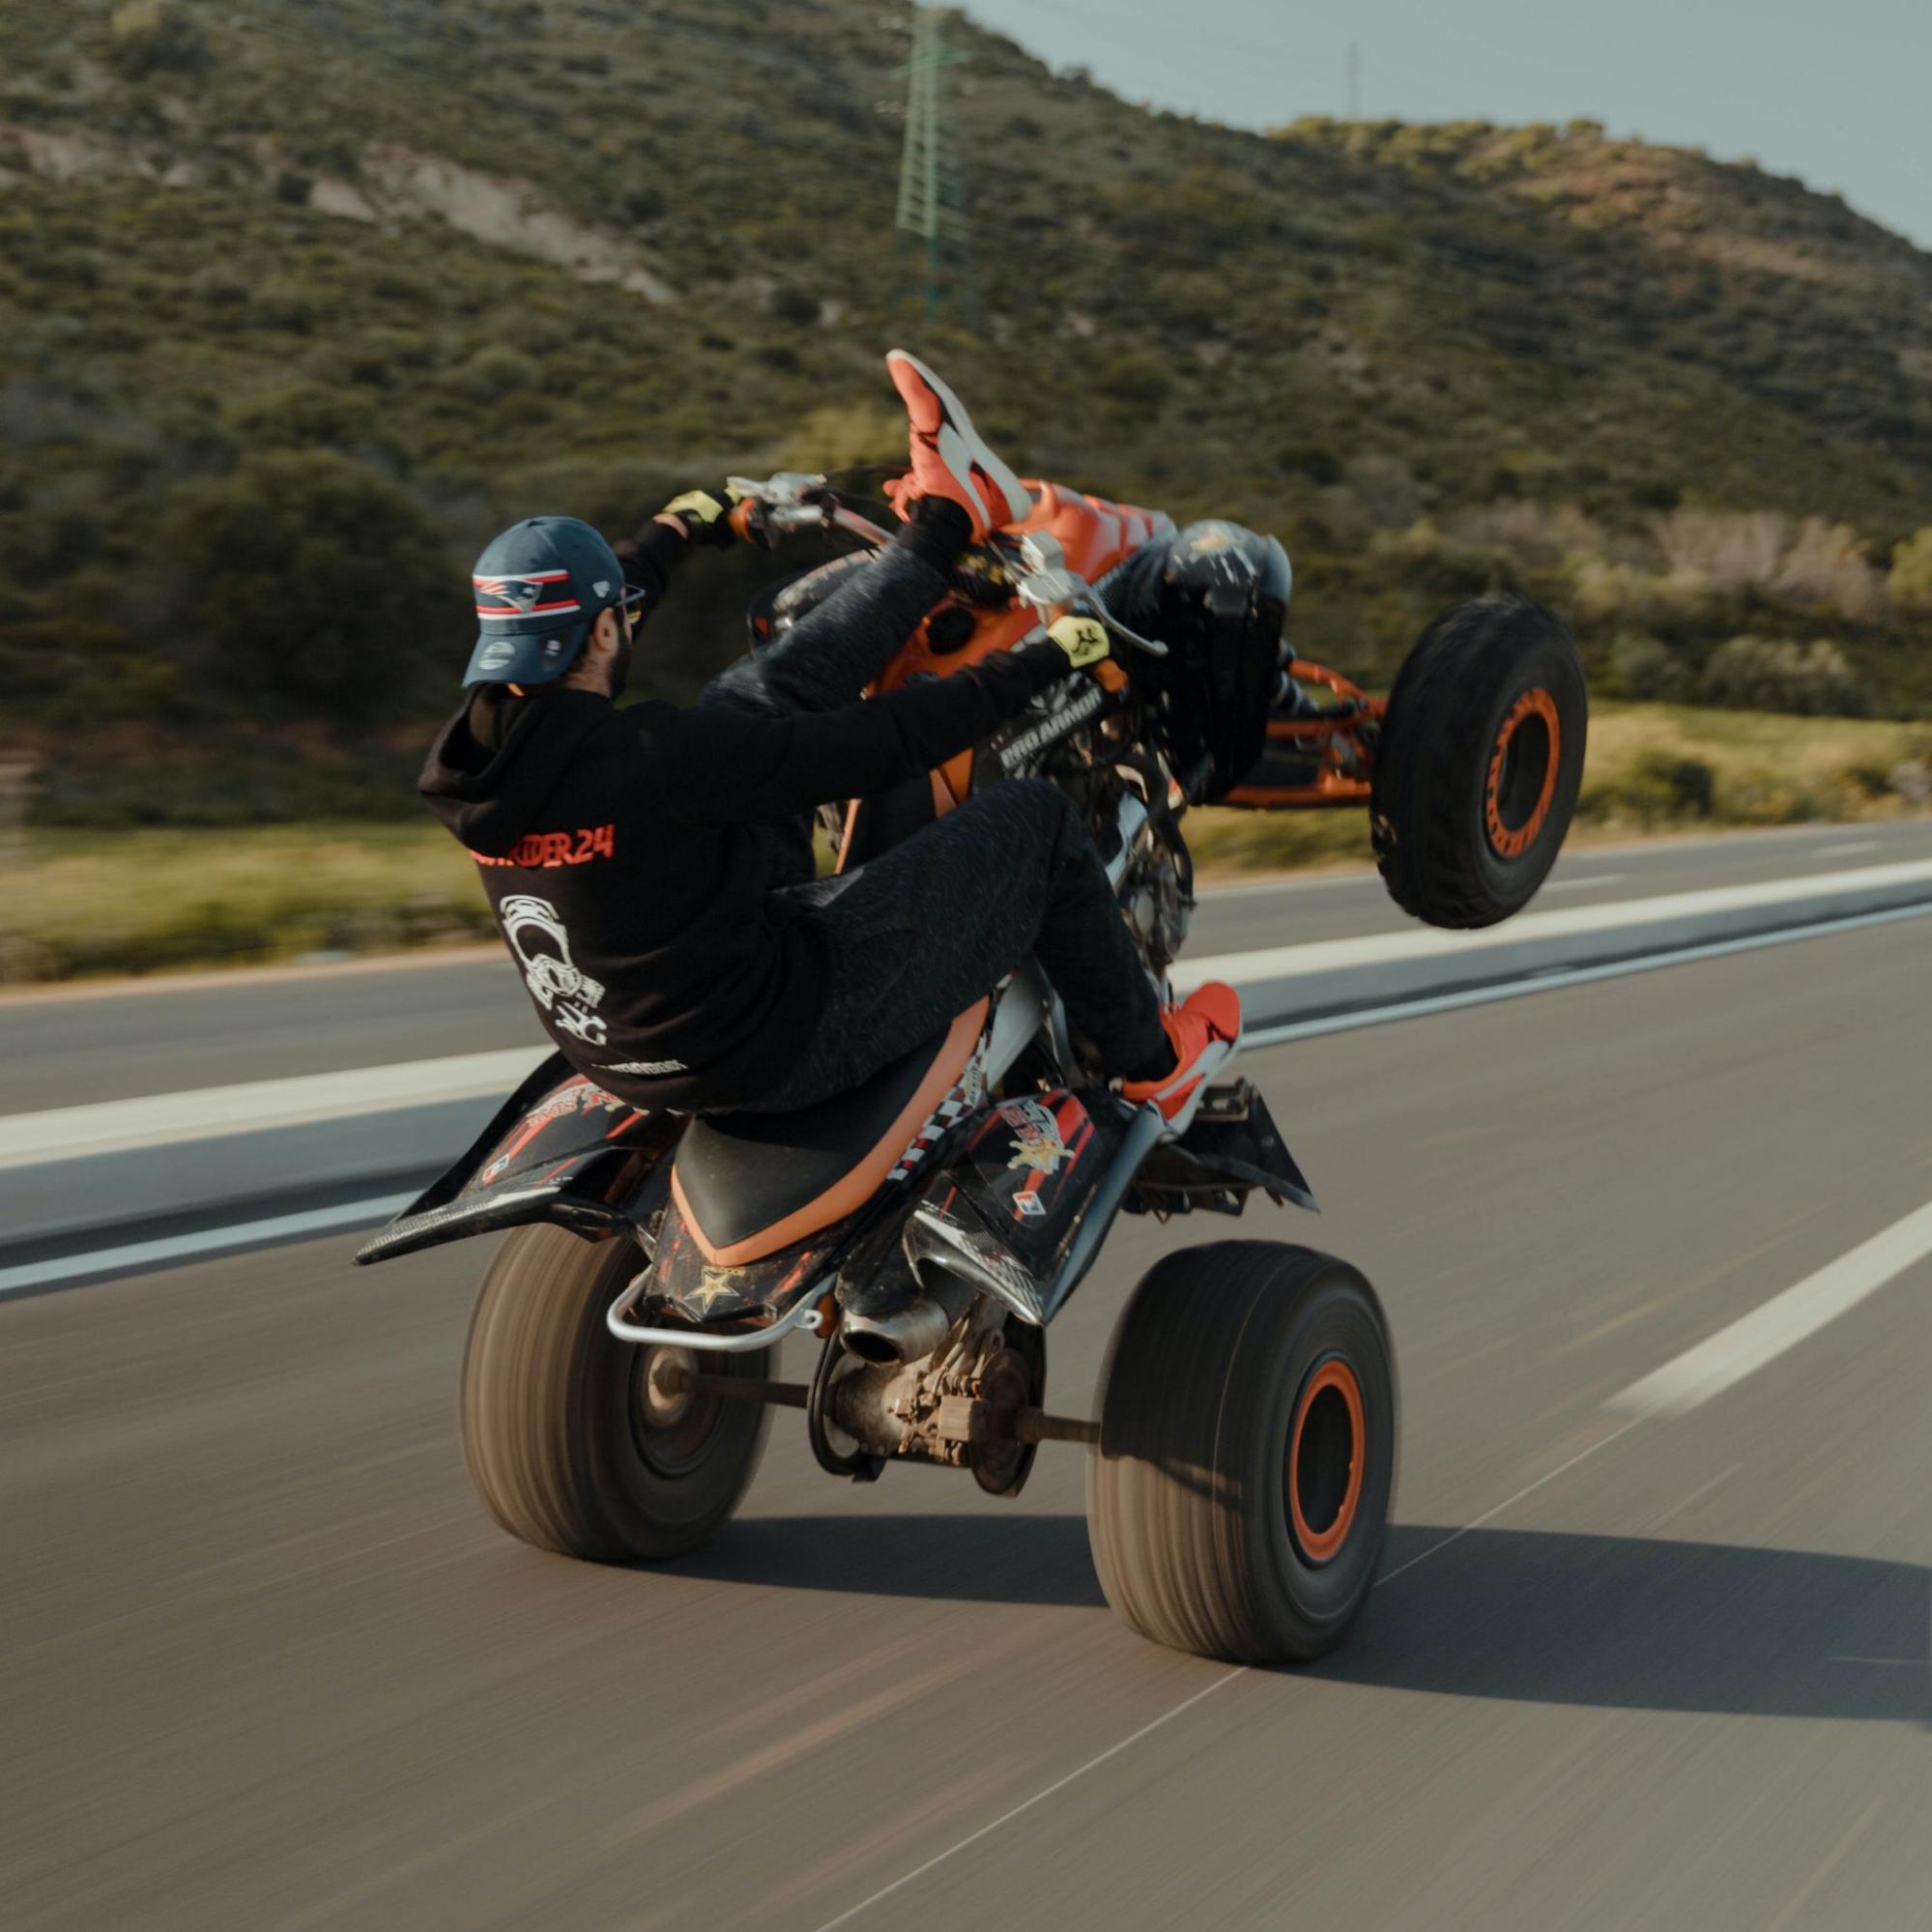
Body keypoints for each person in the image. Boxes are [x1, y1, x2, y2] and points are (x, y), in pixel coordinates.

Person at [419, 351, 1239, 1129]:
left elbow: (597, 610)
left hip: (630, 1049)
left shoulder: (476, 758)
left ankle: (945, 524)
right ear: (603, 632)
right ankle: (1152, 1064)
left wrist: (678, 528)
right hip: (769, 1047)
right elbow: (879, 743)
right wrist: (1044, 662)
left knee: (747, 700)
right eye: (615, 617)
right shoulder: (656, 760)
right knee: (1034, 823)